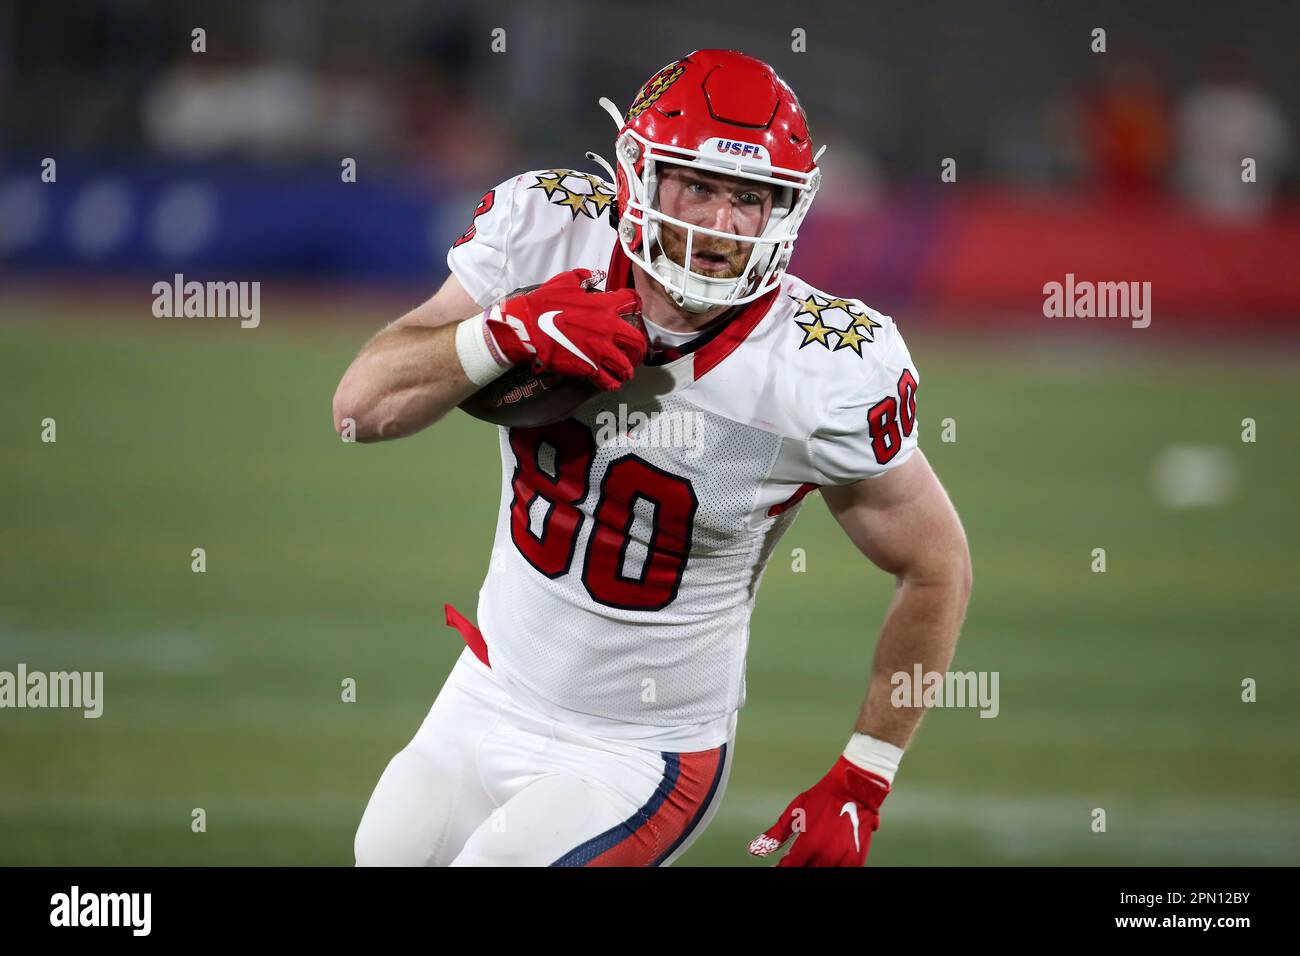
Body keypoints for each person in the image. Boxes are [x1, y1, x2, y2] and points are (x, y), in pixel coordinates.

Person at [335, 49, 971, 867]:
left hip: (642, 754)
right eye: (696, 185)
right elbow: (362, 407)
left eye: (750, 197)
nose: (720, 222)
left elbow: (936, 565)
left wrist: (864, 777)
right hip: (486, 692)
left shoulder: (826, 365)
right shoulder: (547, 233)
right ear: (637, 173)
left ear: (787, 207)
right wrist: (503, 333)